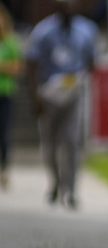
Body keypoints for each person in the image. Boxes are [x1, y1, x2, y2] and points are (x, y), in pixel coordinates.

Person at [26, 0, 98, 208]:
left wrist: (80, 79)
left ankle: (72, 190)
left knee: (72, 142)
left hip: (74, 94)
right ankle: (55, 182)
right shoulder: (43, 32)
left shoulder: (87, 30)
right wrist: (35, 97)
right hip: (49, 93)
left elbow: (92, 62)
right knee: (49, 144)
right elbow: (31, 64)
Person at [0, 4, 21, 191]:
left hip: (4, 92)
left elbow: (16, 68)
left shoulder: (11, 43)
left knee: (3, 132)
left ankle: (4, 167)